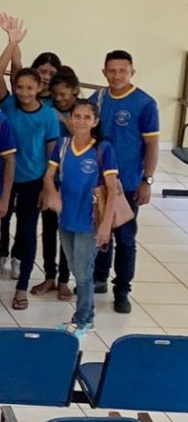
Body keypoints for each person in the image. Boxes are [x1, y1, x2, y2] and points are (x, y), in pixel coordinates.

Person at [0, 17, 62, 312]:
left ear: (38, 89)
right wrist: (12, 42)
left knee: (27, 230)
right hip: (5, 177)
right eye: (19, 87)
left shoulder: (48, 115)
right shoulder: (8, 105)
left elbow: (52, 153)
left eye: (29, 88)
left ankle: (21, 286)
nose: (23, 92)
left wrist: (48, 185)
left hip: (33, 179)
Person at [43, 100, 119, 337]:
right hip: (67, 217)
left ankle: (84, 319)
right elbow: (48, 177)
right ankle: (85, 315)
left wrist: (106, 224)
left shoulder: (102, 149)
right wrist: (53, 193)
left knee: (84, 272)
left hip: (90, 220)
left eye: (87, 117)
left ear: (95, 122)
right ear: (70, 119)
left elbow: (112, 189)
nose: (81, 121)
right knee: (77, 268)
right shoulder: (63, 146)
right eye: (77, 116)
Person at [92, 49, 158, 313]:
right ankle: (99, 278)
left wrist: (147, 180)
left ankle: (122, 290)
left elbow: (152, 145)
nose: (117, 75)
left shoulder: (144, 103)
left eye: (123, 70)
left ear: (132, 72)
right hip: (98, 181)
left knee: (125, 237)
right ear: (104, 72)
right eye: (112, 70)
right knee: (100, 230)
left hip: (128, 183)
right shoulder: (97, 98)